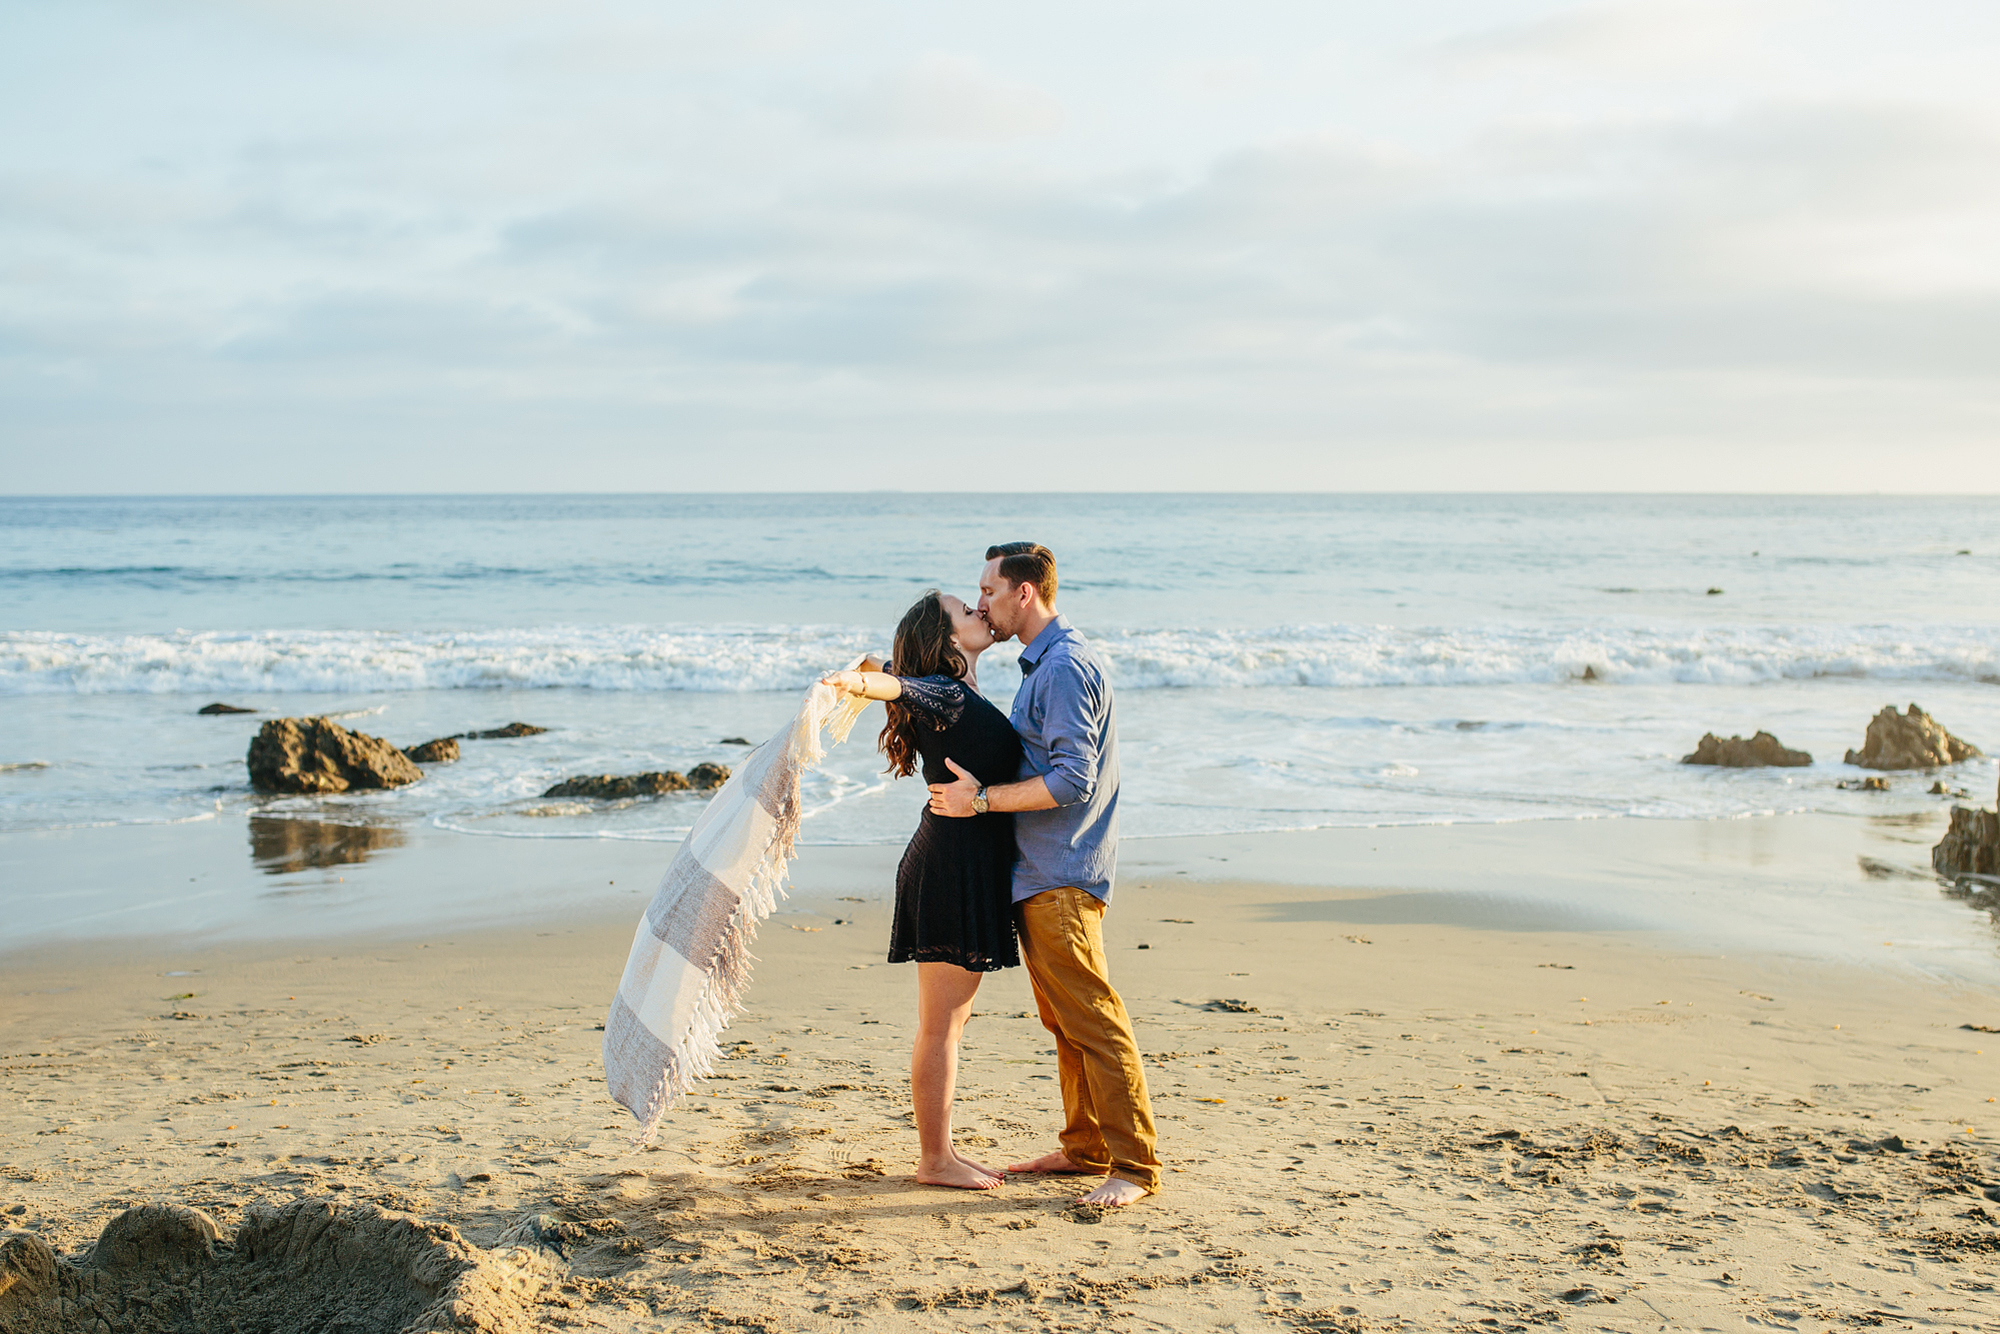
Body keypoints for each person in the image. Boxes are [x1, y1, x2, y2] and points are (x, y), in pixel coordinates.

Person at [928, 542, 1161, 1208]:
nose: (981, 603)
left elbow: (1071, 779)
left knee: (1092, 1019)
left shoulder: (1060, 668)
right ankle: (1087, 1145)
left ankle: (1135, 1167)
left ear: (1024, 593)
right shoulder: (1045, 665)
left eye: (989, 590)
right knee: (1066, 1021)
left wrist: (980, 801)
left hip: (1060, 872)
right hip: (1043, 871)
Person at [821, 590, 1022, 1190]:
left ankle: (942, 1153)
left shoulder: (958, 692)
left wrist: (866, 667)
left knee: (950, 1022)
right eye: (967, 611)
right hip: (950, 866)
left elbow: (882, 669)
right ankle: (935, 1159)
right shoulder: (947, 693)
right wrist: (857, 686)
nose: (980, 613)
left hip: (961, 860)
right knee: (942, 1024)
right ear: (948, 640)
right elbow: (896, 686)